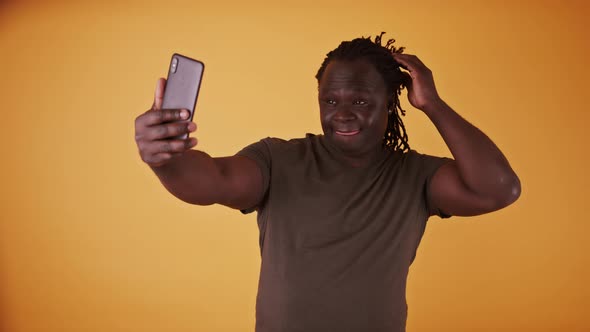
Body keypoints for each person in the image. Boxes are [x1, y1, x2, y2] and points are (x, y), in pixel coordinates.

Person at [134, 32, 521, 332]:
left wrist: (432, 104)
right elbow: (212, 181)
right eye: (330, 101)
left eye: (361, 101)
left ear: (390, 101)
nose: (343, 115)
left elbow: (499, 188)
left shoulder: (415, 176)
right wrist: (165, 159)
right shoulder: (278, 159)